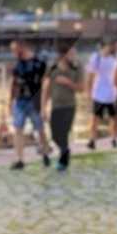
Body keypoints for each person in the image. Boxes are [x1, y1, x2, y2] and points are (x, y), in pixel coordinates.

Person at [7, 40, 47, 168]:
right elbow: (13, 83)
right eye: (12, 50)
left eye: (15, 50)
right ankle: (20, 159)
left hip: (35, 100)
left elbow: (45, 84)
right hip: (20, 101)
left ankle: (45, 153)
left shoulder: (39, 63)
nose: (13, 53)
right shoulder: (17, 65)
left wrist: (44, 105)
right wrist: (10, 101)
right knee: (18, 128)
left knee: (39, 128)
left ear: (22, 47)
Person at [45, 44, 84, 172]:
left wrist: (67, 82)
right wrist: (43, 107)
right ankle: (65, 150)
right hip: (55, 106)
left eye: (74, 53)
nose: (73, 56)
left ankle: (63, 162)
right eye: (70, 53)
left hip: (69, 106)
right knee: (55, 135)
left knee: (64, 133)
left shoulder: (77, 67)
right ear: (63, 54)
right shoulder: (52, 67)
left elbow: (81, 88)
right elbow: (46, 88)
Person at [87, 41, 117, 150]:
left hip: (111, 93)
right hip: (98, 93)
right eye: (109, 46)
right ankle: (92, 140)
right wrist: (89, 92)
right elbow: (90, 76)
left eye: (111, 46)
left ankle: (113, 139)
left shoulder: (115, 58)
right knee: (94, 118)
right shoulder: (96, 58)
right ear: (104, 46)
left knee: (114, 118)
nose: (110, 48)